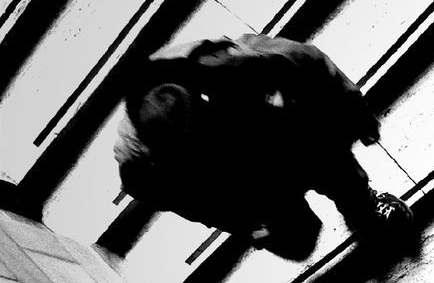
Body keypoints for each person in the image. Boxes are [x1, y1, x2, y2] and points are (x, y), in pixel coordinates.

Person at [113, 34, 413, 261]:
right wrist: (250, 226)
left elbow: (307, 62)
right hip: (231, 179)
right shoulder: (143, 170)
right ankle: (309, 213)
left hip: (259, 124)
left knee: (329, 159)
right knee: (297, 240)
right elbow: (198, 205)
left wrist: (356, 113)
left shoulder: (229, 68)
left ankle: (363, 208)